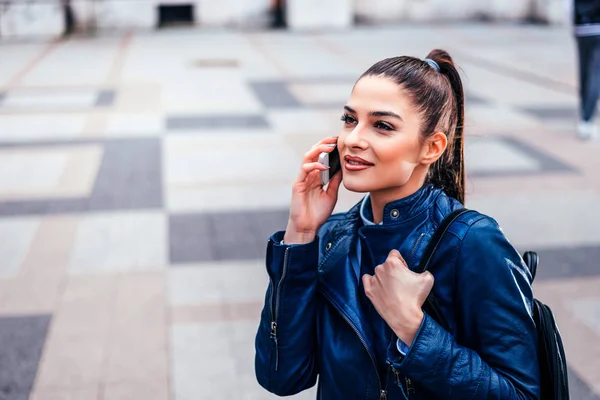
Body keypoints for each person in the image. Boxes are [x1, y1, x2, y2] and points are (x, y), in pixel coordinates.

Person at [254, 49, 540, 399]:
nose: (354, 139)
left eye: (382, 125)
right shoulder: (332, 240)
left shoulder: (472, 242)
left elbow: (522, 393)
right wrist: (300, 234)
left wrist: (414, 330)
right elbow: (281, 377)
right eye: (349, 119)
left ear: (431, 147)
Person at [573, 0, 600, 140]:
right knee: (595, 75)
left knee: (584, 74)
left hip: (582, 29)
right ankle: (587, 118)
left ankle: (585, 116)